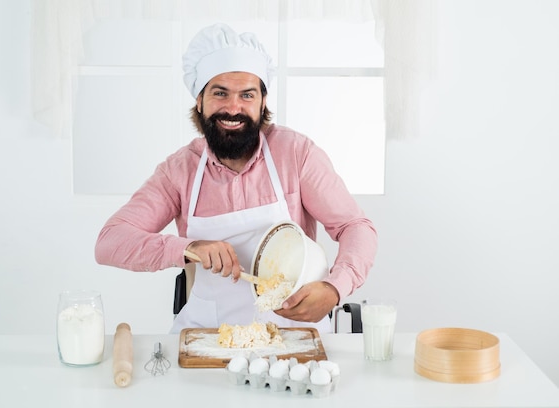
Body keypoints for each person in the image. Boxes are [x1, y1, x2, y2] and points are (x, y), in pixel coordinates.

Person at [95, 23, 377, 334]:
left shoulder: (296, 154)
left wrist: (335, 287)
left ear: (262, 102)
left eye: (247, 95)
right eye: (220, 93)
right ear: (199, 101)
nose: (233, 107)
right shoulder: (179, 171)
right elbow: (110, 242)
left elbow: (355, 227)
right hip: (208, 336)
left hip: (293, 334)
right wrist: (189, 248)